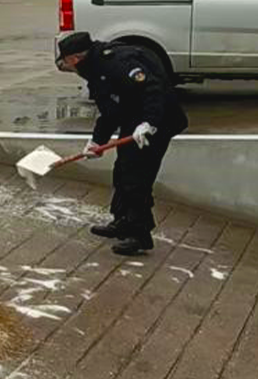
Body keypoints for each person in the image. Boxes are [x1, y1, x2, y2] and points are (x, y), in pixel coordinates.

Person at [56, 31, 188, 256]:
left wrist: (149, 123)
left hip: (158, 120)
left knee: (137, 177)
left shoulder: (117, 63)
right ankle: (123, 221)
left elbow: (152, 89)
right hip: (135, 119)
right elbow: (110, 112)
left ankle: (139, 234)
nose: (67, 66)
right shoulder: (95, 70)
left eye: (66, 61)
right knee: (123, 169)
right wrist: (96, 141)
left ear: (76, 58)